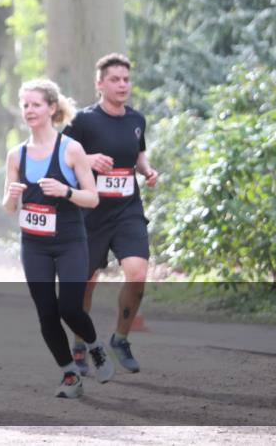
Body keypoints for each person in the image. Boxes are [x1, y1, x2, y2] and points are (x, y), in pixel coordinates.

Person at [3, 79, 114, 398]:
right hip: (34, 244)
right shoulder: (17, 155)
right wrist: (11, 196)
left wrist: (65, 191)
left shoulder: (71, 149)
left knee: (70, 307)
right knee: (46, 311)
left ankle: (95, 347)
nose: (29, 110)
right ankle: (69, 374)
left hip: (69, 241)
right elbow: (9, 208)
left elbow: (92, 198)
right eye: (25, 105)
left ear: (52, 108)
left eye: (36, 104)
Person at [64, 53, 159, 375]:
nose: (122, 85)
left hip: (127, 210)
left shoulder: (136, 120)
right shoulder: (82, 121)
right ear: (99, 84)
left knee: (137, 273)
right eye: (115, 79)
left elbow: (139, 155)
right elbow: (63, 158)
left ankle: (120, 339)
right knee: (86, 284)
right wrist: (88, 160)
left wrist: (147, 171)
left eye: (126, 79)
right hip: (90, 212)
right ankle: (79, 346)